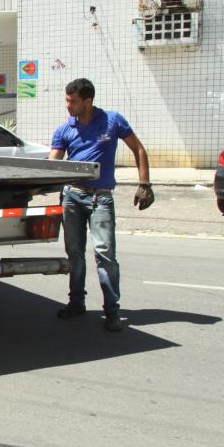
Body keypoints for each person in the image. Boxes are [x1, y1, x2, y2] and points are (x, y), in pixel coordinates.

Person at [49, 78, 153, 332]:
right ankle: (76, 303)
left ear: (88, 101)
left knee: (105, 255)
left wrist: (145, 184)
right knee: (75, 253)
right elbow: (51, 166)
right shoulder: (64, 130)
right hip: (72, 197)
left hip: (101, 198)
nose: (68, 106)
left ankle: (112, 311)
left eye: (72, 101)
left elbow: (138, 149)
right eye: (67, 100)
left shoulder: (112, 121)